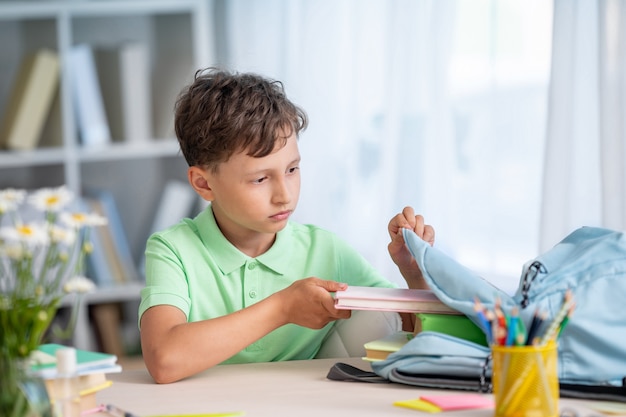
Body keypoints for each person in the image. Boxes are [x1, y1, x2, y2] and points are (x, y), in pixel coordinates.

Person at [138, 68, 435, 384]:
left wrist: (416, 274)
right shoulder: (174, 249)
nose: (285, 195)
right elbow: (164, 360)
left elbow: (408, 330)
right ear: (204, 183)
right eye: (260, 178)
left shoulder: (323, 249)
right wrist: (283, 308)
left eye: (292, 169)